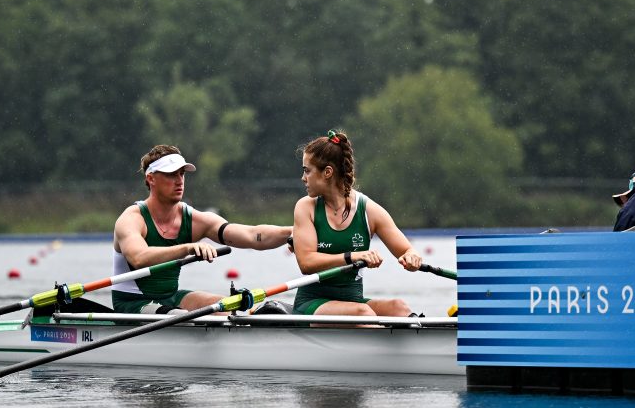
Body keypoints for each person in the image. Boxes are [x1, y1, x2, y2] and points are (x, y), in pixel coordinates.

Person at [111, 144, 292, 313]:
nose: (179, 181)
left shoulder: (194, 219)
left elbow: (252, 236)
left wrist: (293, 232)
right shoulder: (132, 219)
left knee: (230, 307)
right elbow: (139, 257)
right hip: (133, 304)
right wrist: (187, 248)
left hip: (170, 298)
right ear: (151, 179)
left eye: (181, 174)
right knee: (176, 316)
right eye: (171, 174)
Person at [291, 129, 424, 317]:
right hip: (313, 302)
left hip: (352, 301)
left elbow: (407, 250)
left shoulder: (370, 211)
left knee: (399, 307)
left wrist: (412, 257)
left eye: (307, 171)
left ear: (327, 172)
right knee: (363, 313)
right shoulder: (306, 208)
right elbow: (306, 263)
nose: (303, 178)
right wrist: (351, 256)